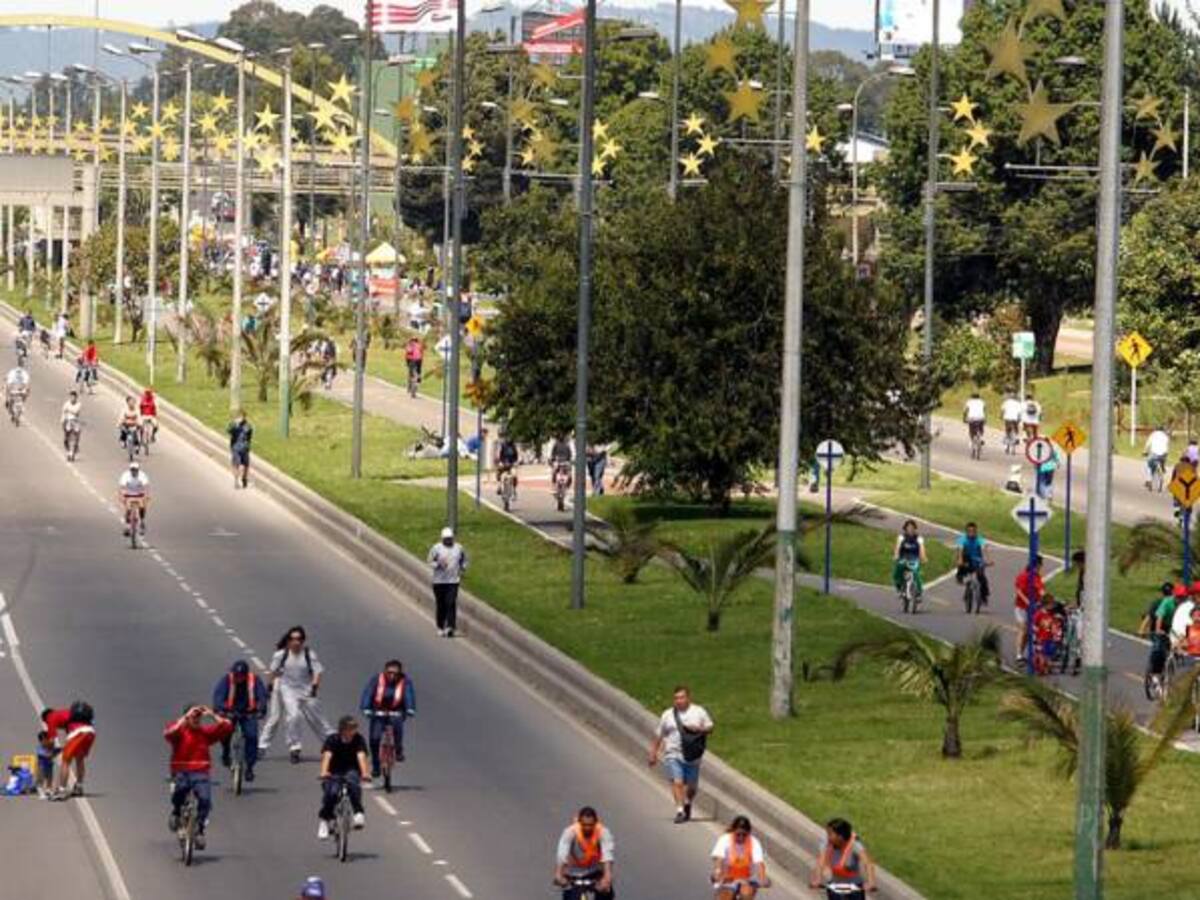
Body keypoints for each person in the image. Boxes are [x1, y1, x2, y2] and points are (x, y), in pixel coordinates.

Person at [260, 626, 333, 764]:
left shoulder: (309, 654)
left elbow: (317, 672)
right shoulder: (281, 655)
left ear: (303, 640)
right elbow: (273, 672)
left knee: (318, 719)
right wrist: (269, 687)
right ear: (288, 641)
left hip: (306, 689)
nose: (296, 642)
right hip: (286, 688)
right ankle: (294, 747)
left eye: (299, 639)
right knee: (292, 715)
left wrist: (315, 686)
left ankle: (333, 745)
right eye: (293, 639)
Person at [164, 704, 233, 850]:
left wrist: (212, 715)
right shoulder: (179, 733)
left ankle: (200, 829)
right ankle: (176, 813)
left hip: (200, 773)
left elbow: (227, 727)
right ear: (187, 718)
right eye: (193, 717)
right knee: (180, 791)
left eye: (199, 717)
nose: (196, 720)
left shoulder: (205, 734)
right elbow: (169, 733)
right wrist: (185, 717)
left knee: (205, 800)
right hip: (181, 771)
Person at [647, 685, 714, 824]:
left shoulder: (699, 712)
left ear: (688, 698)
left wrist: (699, 729)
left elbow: (710, 728)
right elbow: (659, 735)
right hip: (673, 753)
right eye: (676, 698)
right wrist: (653, 753)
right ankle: (680, 810)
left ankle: (687, 802)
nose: (679, 700)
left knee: (692, 787)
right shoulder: (667, 715)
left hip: (692, 755)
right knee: (677, 782)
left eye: (682, 697)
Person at [212, 660, 268, 783]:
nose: (239, 678)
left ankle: (249, 768)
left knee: (252, 736)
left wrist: (261, 709)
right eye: (237, 676)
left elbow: (262, 696)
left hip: (248, 713)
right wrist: (221, 709)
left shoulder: (254, 680)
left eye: (242, 676)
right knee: (224, 730)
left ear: (246, 674)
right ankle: (226, 752)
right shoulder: (226, 680)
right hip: (230, 712)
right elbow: (218, 697)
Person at [359, 659, 416, 778]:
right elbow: (368, 693)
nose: (392, 675)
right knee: (374, 738)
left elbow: (408, 695)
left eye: (395, 673)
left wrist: (410, 708)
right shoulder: (376, 679)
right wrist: (366, 708)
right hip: (378, 711)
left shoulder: (405, 681)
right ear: (385, 671)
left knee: (397, 726)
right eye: (389, 672)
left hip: (396, 710)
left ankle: (398, 749)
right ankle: (375, 765)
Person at [317, 715, 369, 841]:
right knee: (332, 793)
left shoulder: (358, 739)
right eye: (350, 728)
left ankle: (358, 813)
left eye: (354, 728)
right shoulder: (332, 740)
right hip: (333, 771)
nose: (353, 731)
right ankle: (324, 820)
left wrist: (365, 773)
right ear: (342, 729)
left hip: (351, 769)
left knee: (354, 785)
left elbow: (361, 756)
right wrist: (324, 772)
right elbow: (327, 756)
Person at [554, 806, 615, 900]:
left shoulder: (603, 832)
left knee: (606, 894)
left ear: (596, 823)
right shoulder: (570, 832)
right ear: (579, 822)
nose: (587, 828)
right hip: (573, 874)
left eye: (591, 825)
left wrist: (607, 877)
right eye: (584, 825)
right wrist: (559, 874)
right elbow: (562, 853)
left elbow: (607, 855)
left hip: (595, 873)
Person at [809, 818, 877, 899]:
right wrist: (818, 879)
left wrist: (871, 882)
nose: (828, 837)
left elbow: (868, 864)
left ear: (840, 836)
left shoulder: (855, 844)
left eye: (830, 834)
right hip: (835, 884)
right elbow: (821, 861)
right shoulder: (826, 842)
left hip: (854, 885)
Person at [40, 701, 95, 800]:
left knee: (65, 762)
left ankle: (61, 790)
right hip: (90, 732)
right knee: (79, 759)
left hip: (79, 732)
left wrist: (48, 754)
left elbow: (53, 742)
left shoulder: (50, 718)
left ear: (45, 718)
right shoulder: (67, 716)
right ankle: (79, 787)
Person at [711, 815, 769, 900]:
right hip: (726, 878)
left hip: (746, 879)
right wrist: (717, 872)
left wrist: (763, 878)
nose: (741, 838)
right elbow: (719, 858)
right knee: (726, 897)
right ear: (733, 831)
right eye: (738, 834)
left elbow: (759, 863)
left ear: (748, 833)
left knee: (747, 894)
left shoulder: (754, 843)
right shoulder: (724, 840)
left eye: (744, 835)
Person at [428, 527, 468, 637]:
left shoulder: (459, 548)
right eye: (446, 539)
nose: (448, 540)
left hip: (453, 581)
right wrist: (439, 564)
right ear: (442, 539)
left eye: (450, 538)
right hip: (439, 581)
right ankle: (440, 626)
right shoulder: (436, 549)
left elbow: (464, 560)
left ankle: (450, 626)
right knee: (441, 605)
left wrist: (463, 568)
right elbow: (430, 561)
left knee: (451, 603)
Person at [1014, 556, 1045, 663]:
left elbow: (1041, 591)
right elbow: (1019, 591)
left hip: (1034, 608)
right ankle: (1018, 655)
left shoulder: (1037, 577)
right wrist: (1027, 602)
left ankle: (1023, 653)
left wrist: (1045, 600)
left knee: (1029, 632)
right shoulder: (1023, 576)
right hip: (1021, 607)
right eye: (1039, 565)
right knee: (1023, 629)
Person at [954, 521, 992, 608]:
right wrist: (959, 560)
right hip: (966, 560)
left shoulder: (980, 539)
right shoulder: (962, 540)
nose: (971, 533)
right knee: (962, 563)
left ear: (976, 532)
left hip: (977, 560)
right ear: (966, 532)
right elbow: (960, 550)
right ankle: (959, 576)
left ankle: (984, 595)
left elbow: (984, 550)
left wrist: (988, 560)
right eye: (969, 531)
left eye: (973, 531)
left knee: (982, 576)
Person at [891, 519, 926, 601]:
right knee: (898, 570)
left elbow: (921, 548)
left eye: (912, 527)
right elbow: (898, 547)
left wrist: (923, 557)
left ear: (915, 528)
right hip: (903, 557)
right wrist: (896, 556)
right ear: (905, 528)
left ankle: (918, 593)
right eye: (908, 527)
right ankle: (899, 588)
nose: (910, 529)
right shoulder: (901, 537)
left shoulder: (919, 538)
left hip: (914, 558)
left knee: (916, 573)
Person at [117, 461, 150, 535]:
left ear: (138, 470)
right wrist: (122, 496)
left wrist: (146, 495)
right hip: (128, 494)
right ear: (130, 470)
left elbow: (146, 486)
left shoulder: (142, 475)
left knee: (142, 506)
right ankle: (127, 526)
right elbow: (122, 486)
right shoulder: (125, 475)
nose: (134, 471)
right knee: (128, 509)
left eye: (135, 470)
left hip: (139, 494)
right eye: (132, 470)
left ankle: (142, 521)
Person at [228, 409, 253, 489]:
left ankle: (244, 478)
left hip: (244, 448)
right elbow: (229, 431)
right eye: (239, 417)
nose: (240, 419)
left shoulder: (247, 426)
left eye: (242, 417)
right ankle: (236, 481)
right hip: (236, 448)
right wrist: (235, 425)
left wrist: (240, 426)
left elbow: (248, 433)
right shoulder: (233, 424)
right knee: (236, 465)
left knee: (246, 465)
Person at [35, 729, 60, 799]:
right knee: (41, 778)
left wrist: (58, 751)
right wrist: (54, 752)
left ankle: (48, 790)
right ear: (41, 741)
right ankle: (40, 792)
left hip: (49, 765)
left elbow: (52, 754)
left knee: (50, 778)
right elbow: (47, 755)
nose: (46, 741)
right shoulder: (40, 748)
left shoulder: (50, 747)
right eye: (44, 740)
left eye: (47, 739)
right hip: (41, 766)